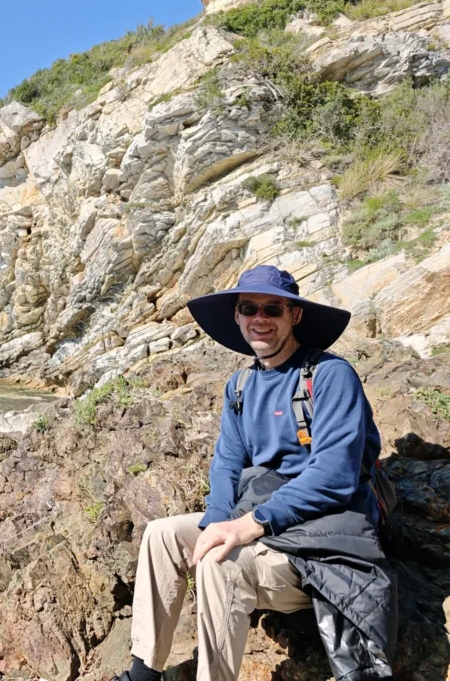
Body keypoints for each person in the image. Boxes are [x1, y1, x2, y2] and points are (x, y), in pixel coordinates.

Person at [112, 264, 395, 681]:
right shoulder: (240, 386)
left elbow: (335, 475)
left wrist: (250, 525)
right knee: (162, 534)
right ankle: (143, 671)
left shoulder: (330, 377)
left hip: (320, 541)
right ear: (237, 315)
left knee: (218, 562)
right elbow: (227, 462)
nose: (260, 318)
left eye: (273, 309)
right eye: (249, 308)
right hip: (266, 522)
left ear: (294, 315)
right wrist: (217, 521)